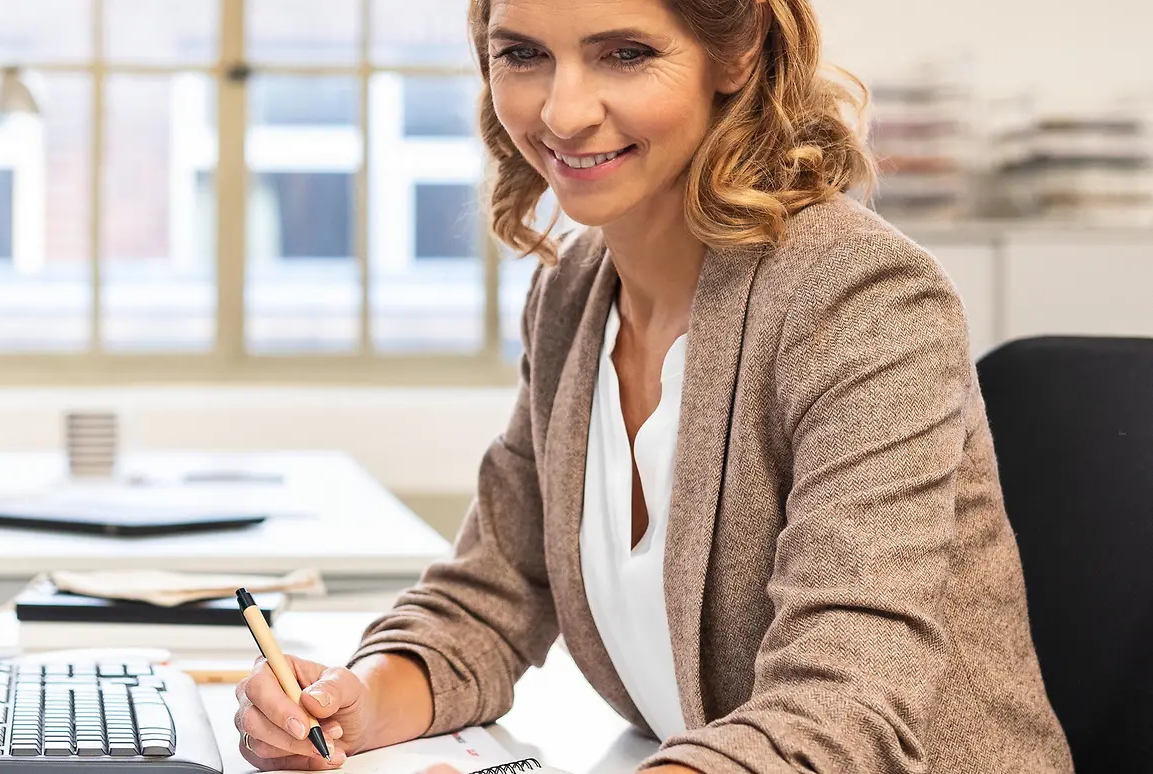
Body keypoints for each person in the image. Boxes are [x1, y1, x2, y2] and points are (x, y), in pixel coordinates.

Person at [233, 0, 1077, 771]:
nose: (560, 111)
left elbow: (843, 703)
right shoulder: (571, 295)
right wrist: (352, 703)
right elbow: (495, 591)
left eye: (626, 54)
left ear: (736, 51)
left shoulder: (861, 299)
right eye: (521, 53)